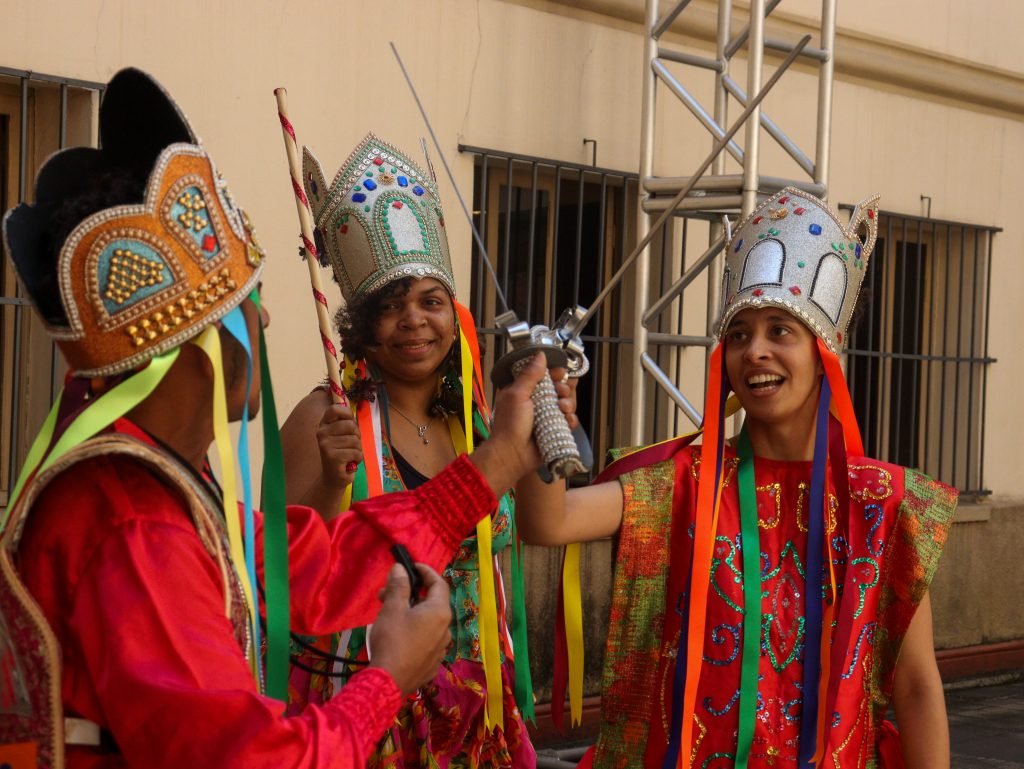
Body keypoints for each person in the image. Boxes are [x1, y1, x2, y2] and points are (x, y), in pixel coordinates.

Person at [0, 69, 550, 769]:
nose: (262, 318)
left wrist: (500, 458)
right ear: (202, 349)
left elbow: (321, 568)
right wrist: (386, 681)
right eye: (247, 303)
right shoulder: (133, 522)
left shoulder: (162, 487)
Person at [515, 188, 957, 769]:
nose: (756, 352)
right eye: (740, 334)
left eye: (781, 330)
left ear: (826, 352)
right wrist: (541, 420)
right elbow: (547, 521)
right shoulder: (684, 481)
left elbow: (917, 686)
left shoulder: (881, 504)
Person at [279, 134, 573, 767]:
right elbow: (287, 580)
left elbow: (545, 520)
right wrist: (333, 481)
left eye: (430, 302)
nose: (414, 320)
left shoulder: (478, 425)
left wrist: (549, 427)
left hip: (480, 721)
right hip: (370, 718)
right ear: (359, 325)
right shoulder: (322, 418)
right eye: (391, 306)